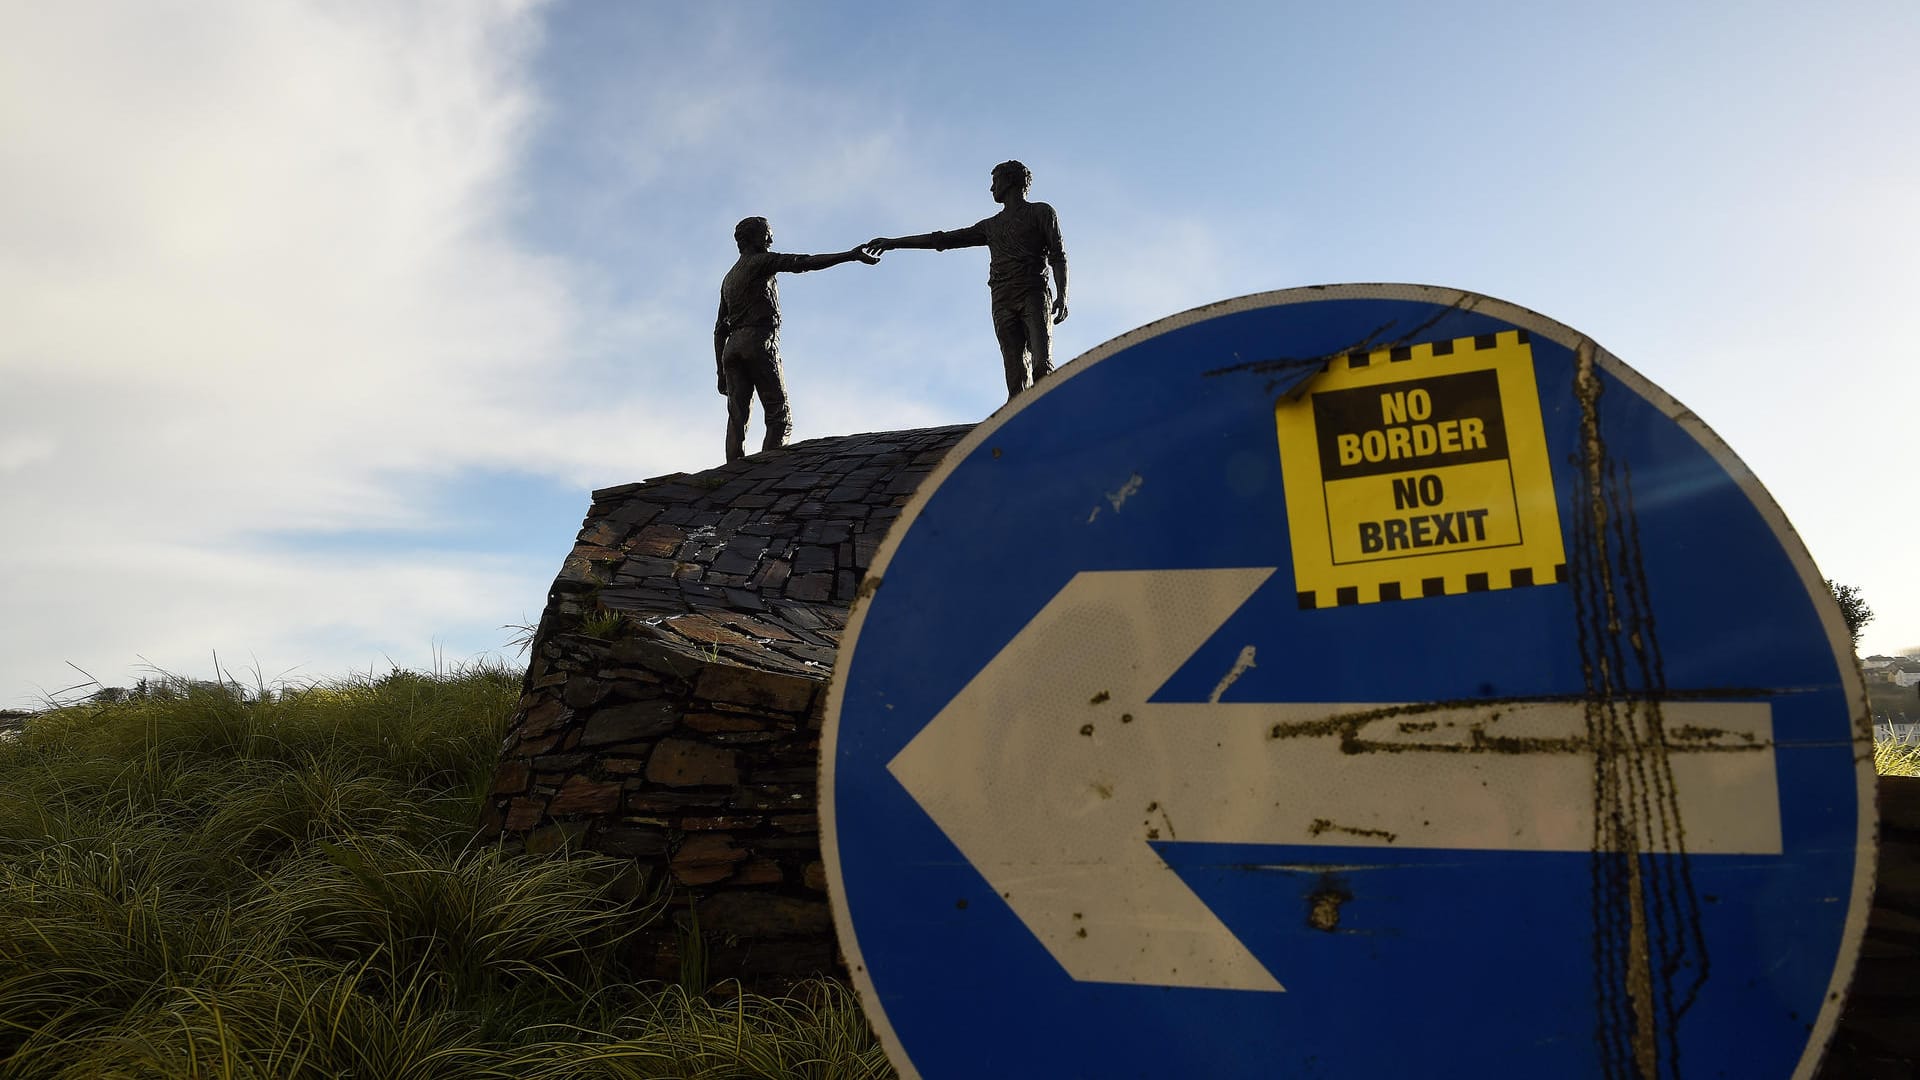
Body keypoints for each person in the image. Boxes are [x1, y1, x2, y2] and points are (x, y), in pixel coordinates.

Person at [868, 160, 1068, 400]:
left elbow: (1058, 255)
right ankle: (1019, 425)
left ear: (1011, 181)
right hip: (1002, 299)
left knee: (1041, 364)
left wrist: (1062, 294)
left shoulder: (1042, 212)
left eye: (995, 181)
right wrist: (893, 243)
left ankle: (1050, 417)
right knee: (1014, 372)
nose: (991, 189)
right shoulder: (990, 227)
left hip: (1033, 293)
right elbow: (943, 240)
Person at [714, 217, 878, 461]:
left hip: (732, 349)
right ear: (754, 237)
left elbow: (719, 329)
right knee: (779, 417)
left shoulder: (728, 278)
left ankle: (731, 471)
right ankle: (768, 471)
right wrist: (850, 255)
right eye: (767, 234)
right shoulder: (761, 262)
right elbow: (804, 263)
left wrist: (720, 371)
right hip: (758, 341)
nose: (770, 239)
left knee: (737, 418)